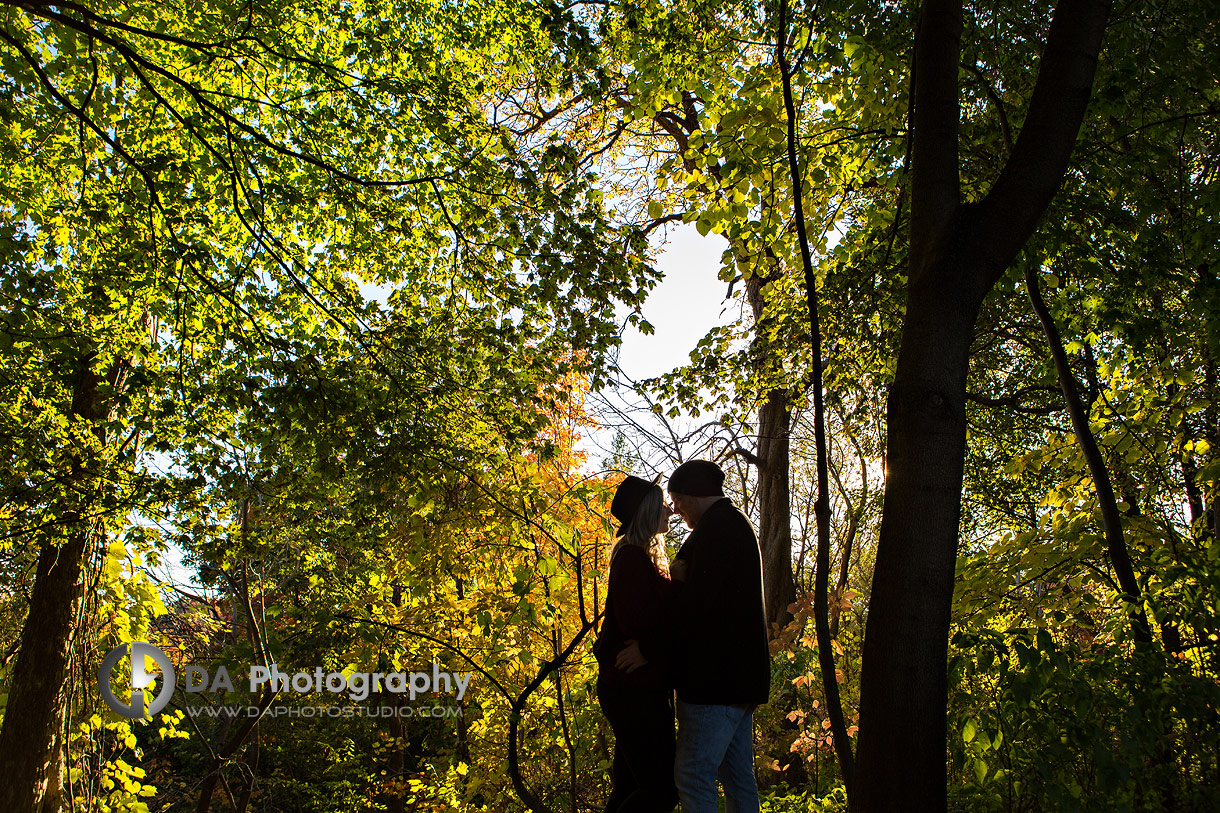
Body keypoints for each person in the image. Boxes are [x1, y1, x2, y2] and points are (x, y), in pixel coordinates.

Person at [617, 459, 769, 813]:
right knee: (736, 777)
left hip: (714, 683)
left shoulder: (716, 534)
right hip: (739, 681)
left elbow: (698, 608)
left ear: (692, 495)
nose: (677, 511)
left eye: (677, 500)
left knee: (692, 774)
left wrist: (649, 649)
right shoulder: (733, 524)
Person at [592, 474, 679, 813]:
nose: (669, 511)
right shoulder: (631, 558)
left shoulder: (641, 557)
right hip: (631, 690)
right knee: (663, 789)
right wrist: (678, 593)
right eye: (662, 506)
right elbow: (636, 622)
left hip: (636, 688)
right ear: (646, 512)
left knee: (630, 783)